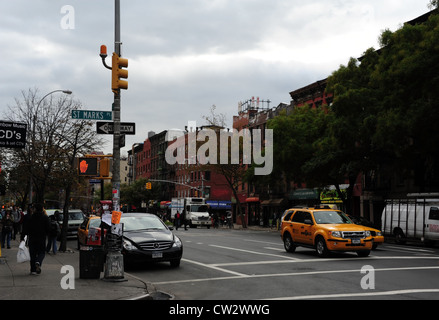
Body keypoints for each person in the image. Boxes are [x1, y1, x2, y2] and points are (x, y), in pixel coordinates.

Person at [21, 203, 50, 275]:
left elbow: (25, 228)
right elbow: (49, 228)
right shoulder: (45, 218)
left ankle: (33, 270)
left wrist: (22, 237)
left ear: (35, 209)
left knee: (32, 254)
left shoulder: (31, 218)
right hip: (41, 238)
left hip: (32, 238)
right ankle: (38, 262)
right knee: (42, 252)